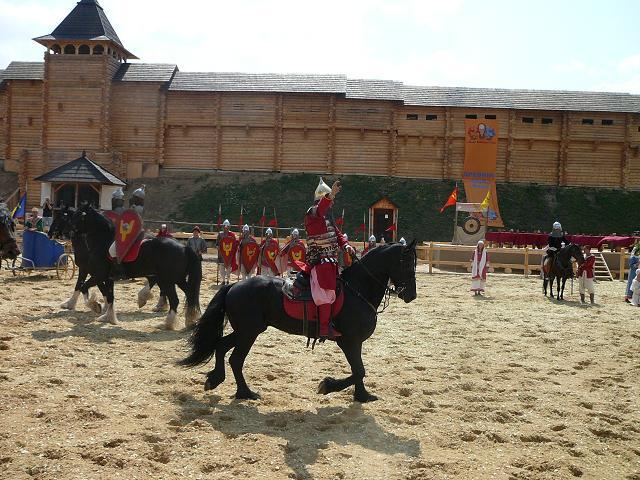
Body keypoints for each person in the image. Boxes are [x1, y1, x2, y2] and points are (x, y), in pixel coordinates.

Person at [304, 178, 356, 339]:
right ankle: (323, 329)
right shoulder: (313, 213)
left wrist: (345, 245)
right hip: (320, 261)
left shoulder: (328, 219)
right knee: (325, 294)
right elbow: (320, 209)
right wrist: (331, 194)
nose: (332, 204)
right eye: (329, 201)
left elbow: (337, 234)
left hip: (332, 262)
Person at [217, 219, 238, 285]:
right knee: (221, 268)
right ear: (223, 227)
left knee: (228, 268)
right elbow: (217, 243)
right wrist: (217, 247)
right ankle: (223, 280)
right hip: (221, 254)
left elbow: (234, 244)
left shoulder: (232, 235)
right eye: (225, 226)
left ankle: (228, 280)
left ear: (229, 227)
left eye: (227, 227)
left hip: (229, 255)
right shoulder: (220, 234)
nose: (226, 228)